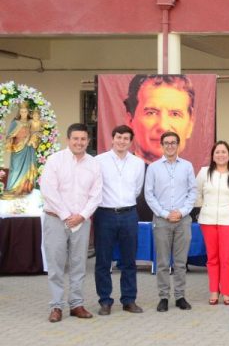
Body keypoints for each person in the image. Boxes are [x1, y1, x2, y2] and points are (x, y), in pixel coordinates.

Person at [39, 123, 102, 322]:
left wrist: (82, 216)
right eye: (75, 139)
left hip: (82, 222)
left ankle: (76, 304)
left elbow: (96, 195)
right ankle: (56, 306)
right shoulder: (54, 161)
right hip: (56, 220)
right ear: (68, 140)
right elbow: (48, 190)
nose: (79, 142)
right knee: (56, 264)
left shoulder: (93, 164)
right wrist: (67, 215)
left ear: (88, 141)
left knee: (78, 264)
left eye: (83, 139)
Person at [94, 124, 146, 315]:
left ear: (130, 141)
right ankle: (105, 301)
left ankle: (129, 300)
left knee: (129, 260)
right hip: (105, 214)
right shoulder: (99, 161)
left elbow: (137, 189)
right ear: (112, 138)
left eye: (126, 138)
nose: (122, 141)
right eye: (119, 137)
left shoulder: (138, 163)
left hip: (129, 214)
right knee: (103, 260)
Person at [144, 130, 197, 312]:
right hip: (162, 220)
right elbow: (148, 194)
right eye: (166, 143)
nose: (170, 146)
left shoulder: (187, 166)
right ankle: (163, 297)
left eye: (173, 142)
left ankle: (180, 296)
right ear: (162, 145)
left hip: (183, 220)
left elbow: (193, 192)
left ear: (178, 144)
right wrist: (165, 214)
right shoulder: (153, 168)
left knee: (181, 262)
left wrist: (181, 212)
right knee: (163, 262)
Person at [196, 141, 229, 306]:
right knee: (212, 258)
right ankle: (213, 291)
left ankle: (226, 292)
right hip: (208, 219)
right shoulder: (204, 172)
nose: (220, 155)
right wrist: (201, 209)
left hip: (228, 220)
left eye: (224, 152)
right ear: (212, 155)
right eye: (217, 152)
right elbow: (196, 193)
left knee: (226, 258)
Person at [124, 74, 196, 164]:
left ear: (190, 125)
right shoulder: (119, 174)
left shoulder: (189, 172)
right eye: (151, 113)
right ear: (130, 121)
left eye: (175, 114)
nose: (163, 126)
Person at [2, 104, 40, 197]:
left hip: (28, 148)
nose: (23, 113)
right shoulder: (15, 123)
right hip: (17, 148)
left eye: (25, 112)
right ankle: (13, 188)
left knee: (28, 167)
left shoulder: (30, 122)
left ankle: (26, 189)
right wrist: (12, 139)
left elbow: (36, 132)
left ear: (28, 113)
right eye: (22, 112)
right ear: (19, 112)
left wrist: (33, 137)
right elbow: (9, 136)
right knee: (15, 168)